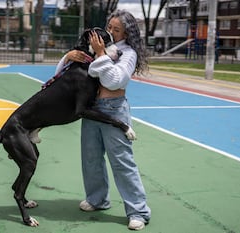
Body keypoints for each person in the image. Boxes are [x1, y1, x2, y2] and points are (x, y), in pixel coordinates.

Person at [55, 10, 151, 231]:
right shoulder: (103, 48)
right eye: (110, 27)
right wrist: (68, 56)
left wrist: (100, 54)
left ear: (127, 32)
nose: (111, 32)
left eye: (116, 30)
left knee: (122, 163)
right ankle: (97, 200)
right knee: (90, 158)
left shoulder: (127, 53)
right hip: (91, 110)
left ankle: (138, 211)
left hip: (114, 110)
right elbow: (64, 75)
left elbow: (114, 81)